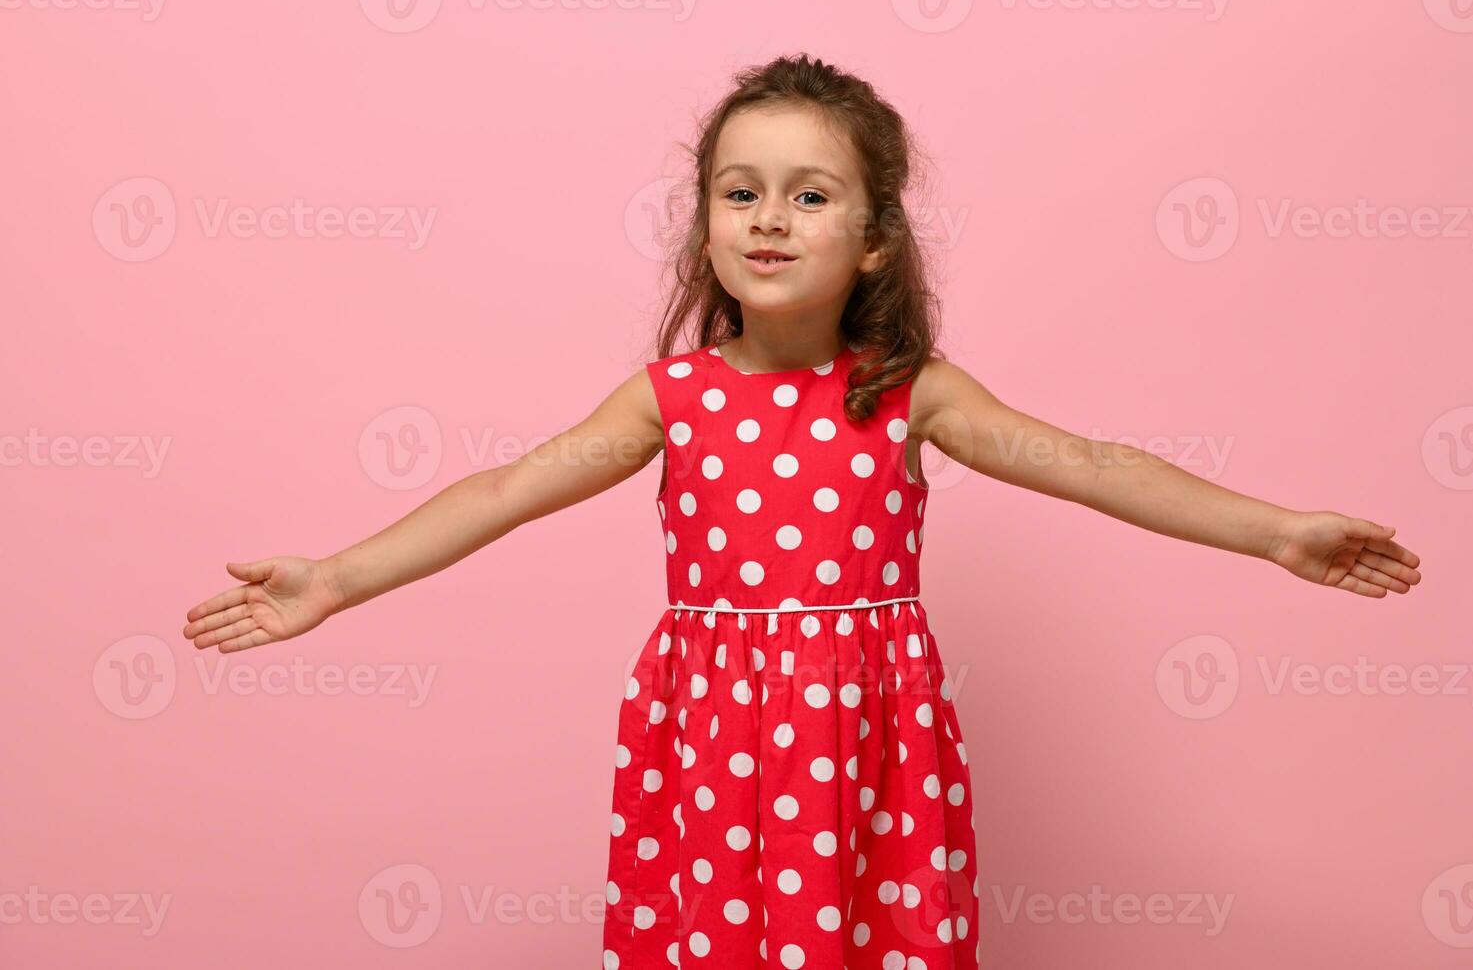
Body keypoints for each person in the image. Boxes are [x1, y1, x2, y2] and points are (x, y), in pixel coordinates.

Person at [183, 53, 1421, 970]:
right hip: (713, 736)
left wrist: (1272, 529)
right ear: (708, 220)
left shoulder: (909, 393)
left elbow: (1090, 463)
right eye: (742, 191)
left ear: (876, 238)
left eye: (810, 195)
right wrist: (337, 577)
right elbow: (506, 489)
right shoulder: (671, 399)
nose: (770, 217)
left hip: (871, 739)